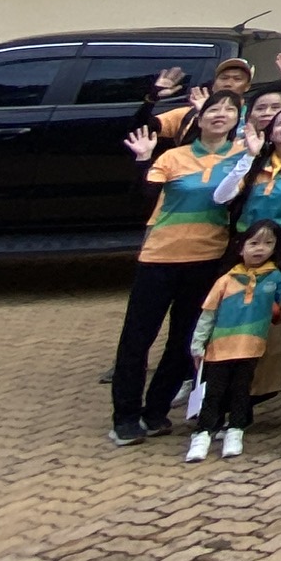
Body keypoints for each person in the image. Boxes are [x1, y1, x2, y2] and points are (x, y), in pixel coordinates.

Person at [109, 89, 247, 445]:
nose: (221, 114)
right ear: (199, 118)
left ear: (238, 120)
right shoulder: (173, 156)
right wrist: (143, 160)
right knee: (137, 339)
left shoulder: (245, 157)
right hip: (159, 259)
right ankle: (125, 417)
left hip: (207, 260)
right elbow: (142, 198)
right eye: (214, 109)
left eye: (230, 110)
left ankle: (155, 412)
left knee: (184, 341)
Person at [183, 220, 281, 461]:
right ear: (241, 247)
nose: (260, 249)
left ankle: (235, 431)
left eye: (268, 243)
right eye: (254, 243)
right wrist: (198, 344)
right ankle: (202, 433)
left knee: (241, 392)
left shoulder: (275, 277)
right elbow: (208, 314)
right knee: (213, 392)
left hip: (251, 348)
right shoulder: (226, 280)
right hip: (219, 349)